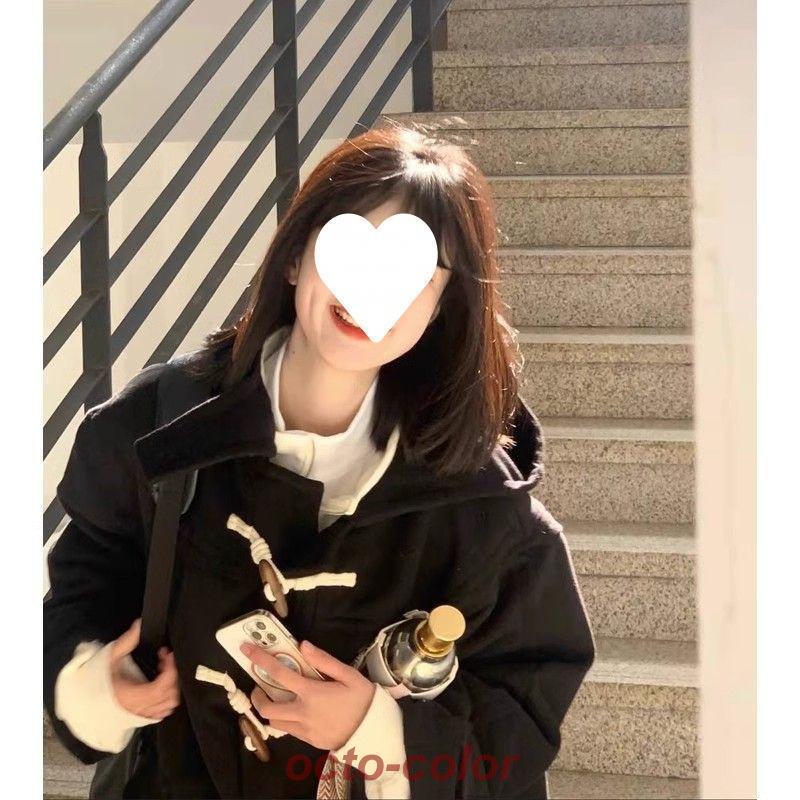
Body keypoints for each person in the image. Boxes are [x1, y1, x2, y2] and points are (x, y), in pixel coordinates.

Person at [43, 124, 596, 799]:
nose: (371, 289)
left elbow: (517, 720)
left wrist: (376, 730)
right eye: (349, 247)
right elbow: (86, 581)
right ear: (295, 258)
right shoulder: (159, 429)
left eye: (413, 275)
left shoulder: (483, 507)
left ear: (440, 311)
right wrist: (102, 684)